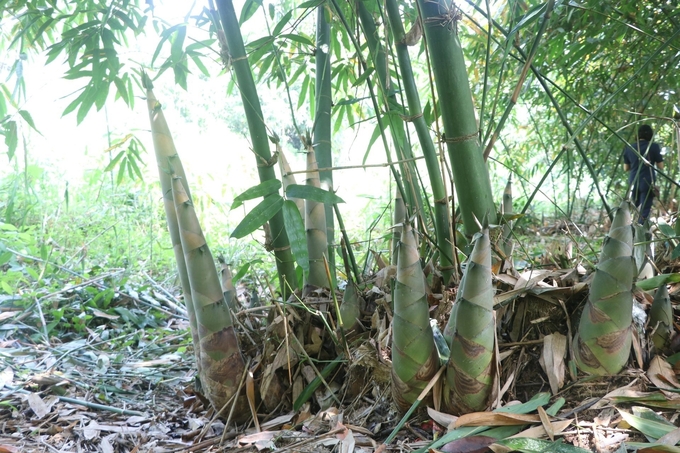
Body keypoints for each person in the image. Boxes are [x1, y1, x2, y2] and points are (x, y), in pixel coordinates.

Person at [623, 124, 664, 224]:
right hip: (647, 181)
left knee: (636, 209)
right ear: (650, 135)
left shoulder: (629, 147)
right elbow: (661, 166)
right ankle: (640, 235)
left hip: (634, 181)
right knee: (644, 211)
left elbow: (626, 168)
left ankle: (633, 233)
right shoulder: (653, 147)